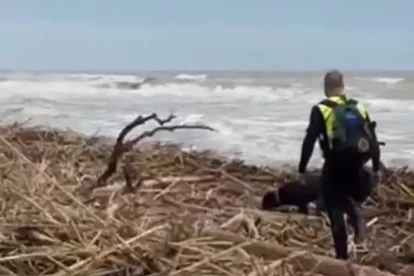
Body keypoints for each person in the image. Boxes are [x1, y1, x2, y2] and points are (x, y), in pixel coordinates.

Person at [297, 70, 382, 260]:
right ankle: (356, 221)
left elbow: (309, 140)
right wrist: (376, 167)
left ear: (326, 88)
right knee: (346, 197)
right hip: (358, 162)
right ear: (343, 86)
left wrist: (302, 168)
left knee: (334, 206)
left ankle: (341, 255)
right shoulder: (358, 107)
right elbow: (373, 140)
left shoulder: (321, 109)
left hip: (335, 164)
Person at [261, 160, 387, 215]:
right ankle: (378, 171)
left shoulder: (287, 194)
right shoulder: (287, 190)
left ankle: (379, 172)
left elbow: (303, 202)